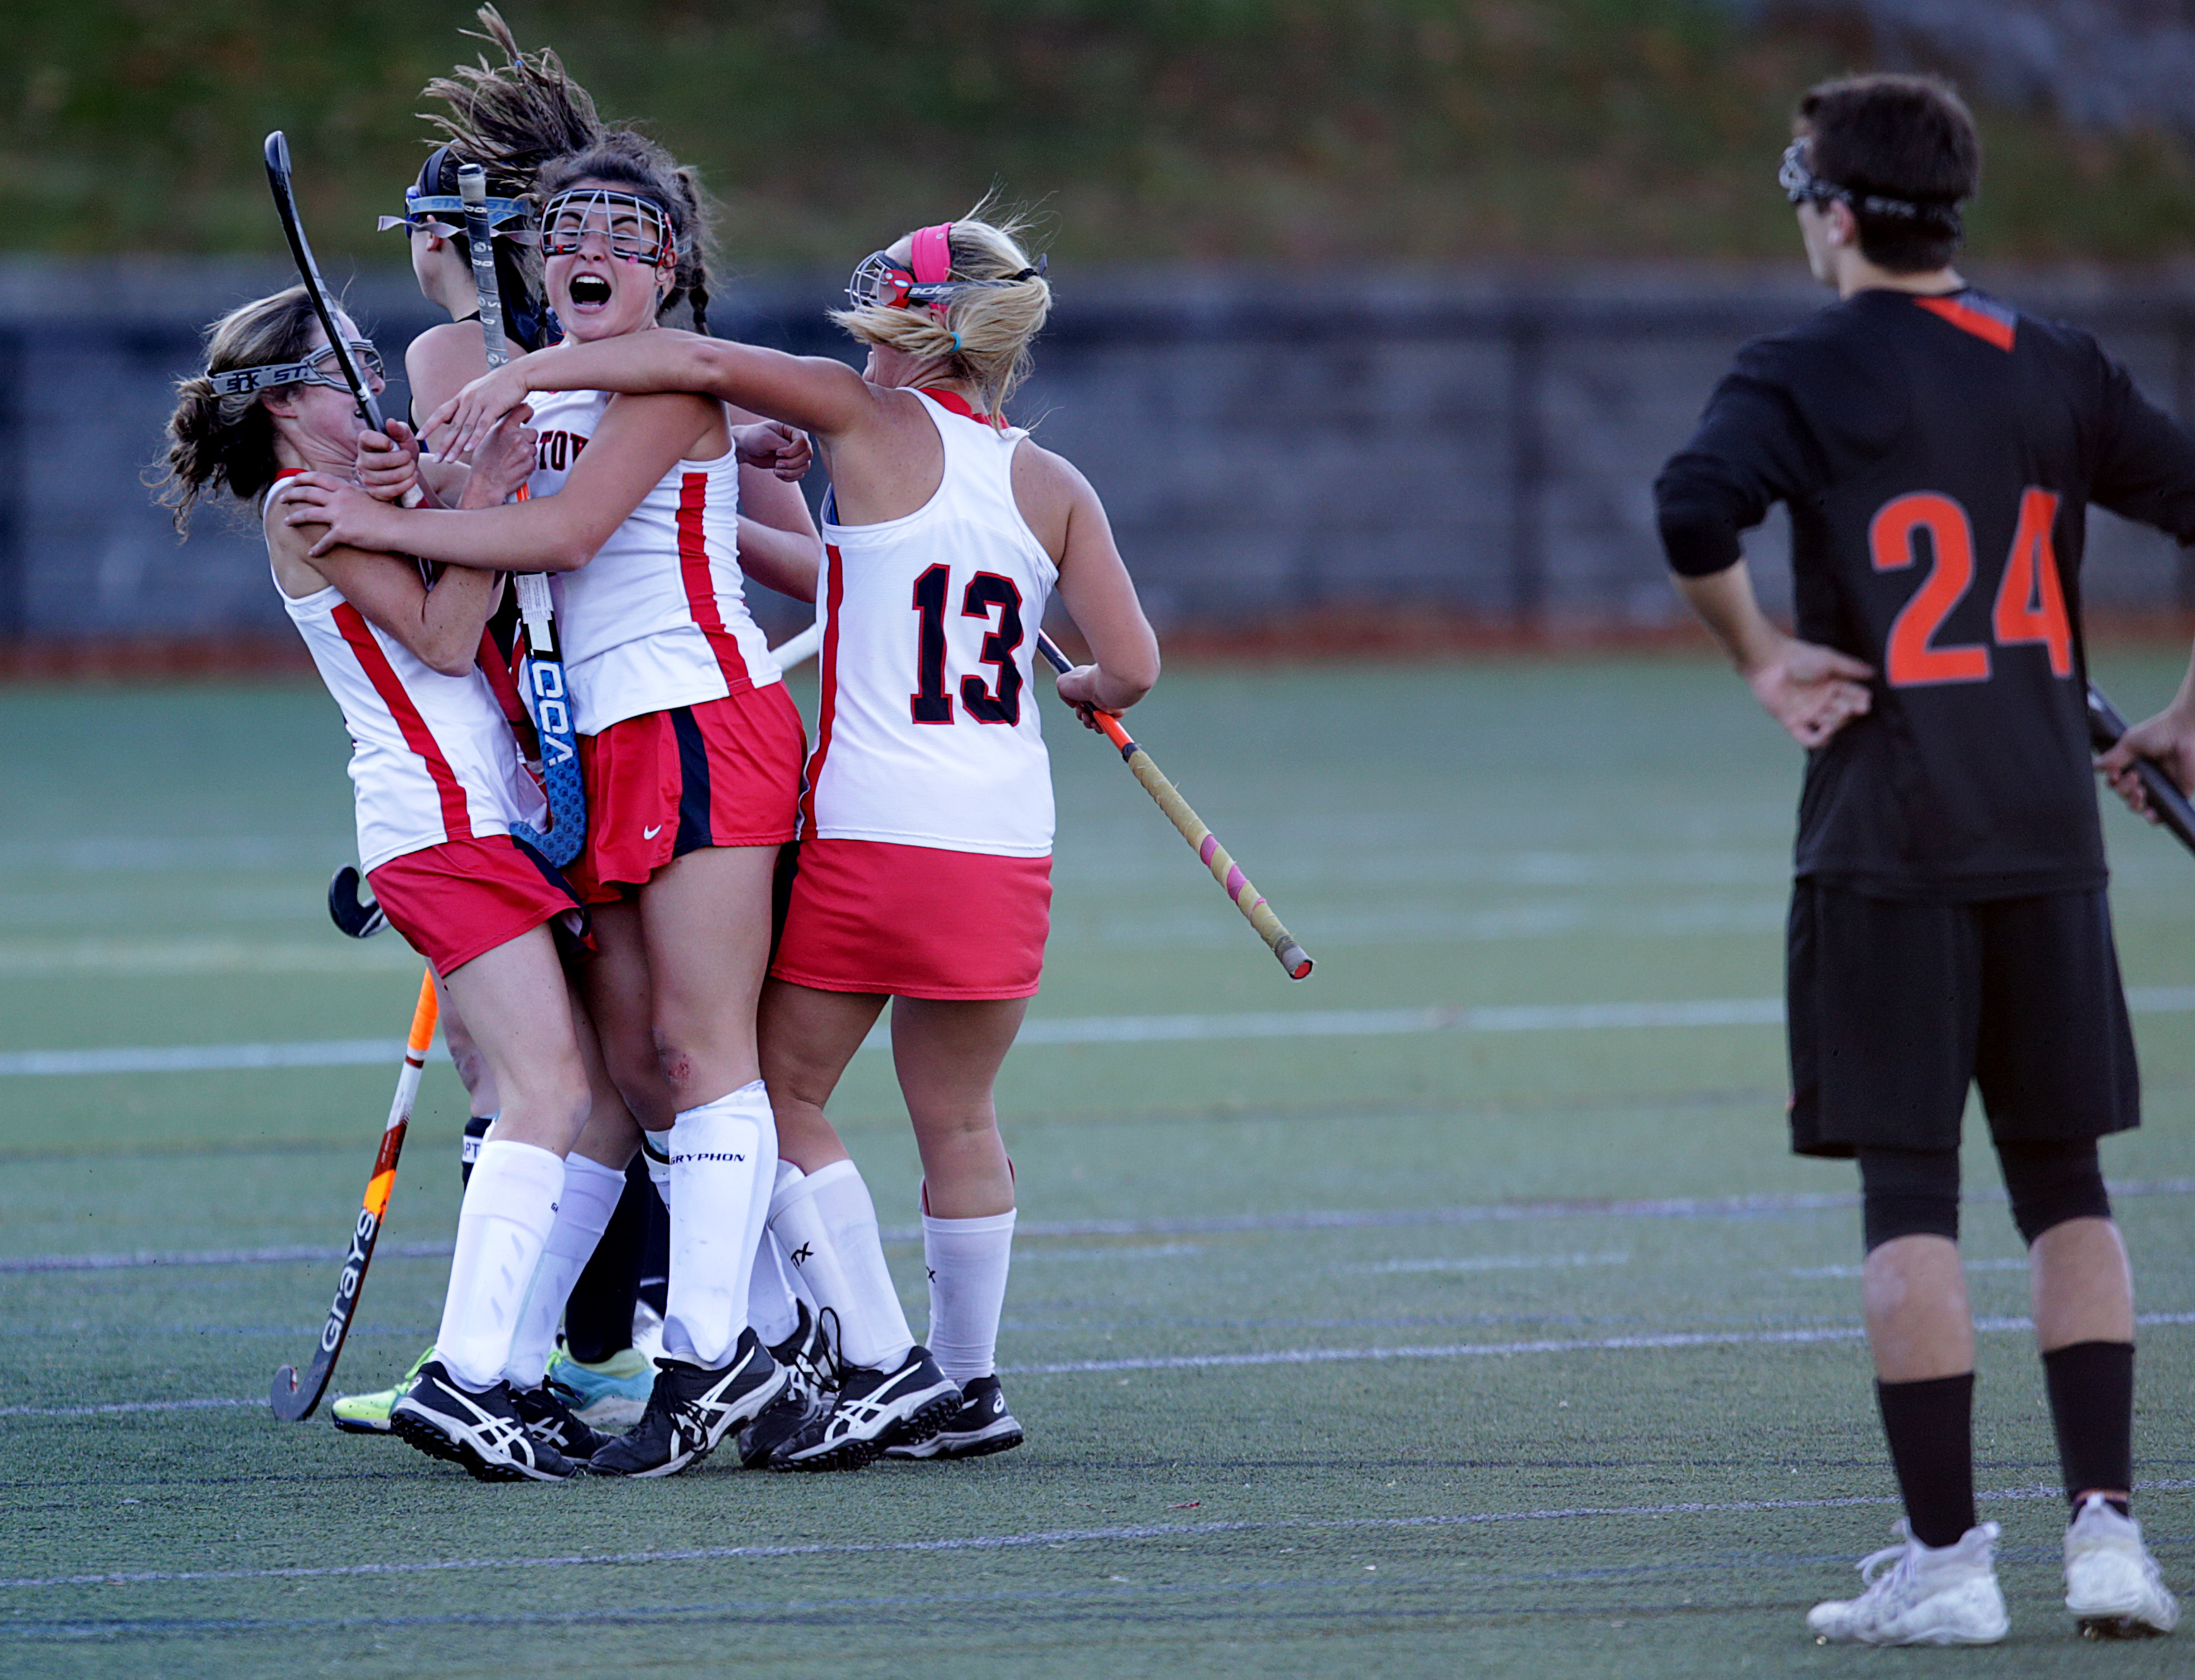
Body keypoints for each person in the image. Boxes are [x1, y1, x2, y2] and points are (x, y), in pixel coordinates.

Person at [426, 203, 1162, 1469]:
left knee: (767, 1092)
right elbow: (1128, 665)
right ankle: (968, 1382)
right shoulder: (1054, 486)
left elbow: (700, 365)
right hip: (1006, 843)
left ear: (911, 330)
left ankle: (871, 1360)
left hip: (876, 830)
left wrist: (535, 367)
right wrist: (1084, 691)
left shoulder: (862, 416)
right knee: (962, 1123)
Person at [1656, 73, 2183, 1645]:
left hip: (1888, 833)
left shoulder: (1802, 369)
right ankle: (2109, 1542)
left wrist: (1762, 653)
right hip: (2047, 827)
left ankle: (1952, 1566)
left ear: (1832, 209)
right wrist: (2182, 717)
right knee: (2069, 1185)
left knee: (1911, 1197)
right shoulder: (2056, 363)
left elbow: (1694, 508)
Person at [280, 121, 821, 1478]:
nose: (589, 254)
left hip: (692, 713)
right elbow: (493, 427)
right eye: (564, 232)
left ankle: (715, 1358)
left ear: (673, 265)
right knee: (637, 1070)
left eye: (625, 238)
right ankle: (565, 1358)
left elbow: (572, 530)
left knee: (701, 1058)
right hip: (590, 750)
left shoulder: (667, 373)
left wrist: (393, 519)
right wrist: (454, 428)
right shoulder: (517, 377)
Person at [154, 286, 639, 1481]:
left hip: (498, 813)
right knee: (547, 1090)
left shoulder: (372, 481)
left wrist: (444, 462)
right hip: (439, 824)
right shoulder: (305, 502)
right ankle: (473, 1381)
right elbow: (435, 633)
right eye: (340, 361)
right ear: (279, 400)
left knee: (605, 1099)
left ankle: (508, 1367)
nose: (367, 371)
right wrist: (475, 495)